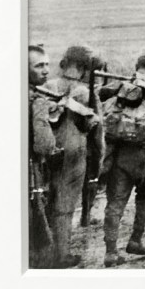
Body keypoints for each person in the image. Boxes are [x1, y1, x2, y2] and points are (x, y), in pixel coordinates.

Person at [100, 48, 145, 267]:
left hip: (121, 154)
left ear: (137, 66)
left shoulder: (119, 87)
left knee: (115, 202)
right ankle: (135, 239)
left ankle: (110, 251)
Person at [44, 44, 104, 268]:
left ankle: (42, 251)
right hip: (74, 152)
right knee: (65, 205)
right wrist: (97, 164)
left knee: (45, 201)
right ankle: (61, 255)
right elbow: (97, 134)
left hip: (47, 150)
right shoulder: (86, 93)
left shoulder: (47, 86)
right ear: (84, 67)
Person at [28, 45, 62, 269]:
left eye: (47, 65)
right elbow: (44, 146)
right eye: (39, 65)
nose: (46, 70)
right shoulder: (36, 100)